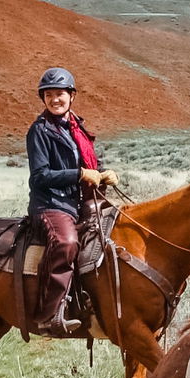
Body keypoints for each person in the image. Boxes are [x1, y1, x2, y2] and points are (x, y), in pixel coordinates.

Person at [25, 67, 117, 333]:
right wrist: (79, 175)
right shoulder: (39, 131)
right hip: (51, 204)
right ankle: (50, 313)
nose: (55, 100)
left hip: (76, 202)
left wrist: (102, 173)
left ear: (72, 96)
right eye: (49, 95)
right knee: (66, 243)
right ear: (43, 98)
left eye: (60, 94)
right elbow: (40, 176)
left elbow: (86, 163)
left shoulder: (77, 128)